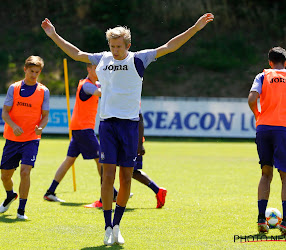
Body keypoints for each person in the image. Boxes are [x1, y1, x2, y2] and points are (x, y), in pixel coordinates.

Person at [41, 13, 214, 245]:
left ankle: (118, 226)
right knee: (107, 176)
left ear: (128, 45)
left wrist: (195, 27)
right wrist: (54, 35)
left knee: (126, 178)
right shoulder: (102, 59)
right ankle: (107, 226)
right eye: (112, 46)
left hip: (130, 126)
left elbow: (169, 46)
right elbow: (77, 53)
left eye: (119, 46)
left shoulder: (138, 59)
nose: (115, 50)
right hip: (108, 126)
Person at [42, 64, 115, 203]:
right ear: (89, 69)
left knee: (69, 161)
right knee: (101, 160)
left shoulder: (94, 83)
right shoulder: (87, 85)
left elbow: (102, 86)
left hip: (79, 128)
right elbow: (101, 92)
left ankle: (50, 191)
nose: (99, 72)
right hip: (83, 129)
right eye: (96, 68)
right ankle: (109, 194)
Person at [248, 46, 286, 236]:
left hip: (264, 128)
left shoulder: (263, 76)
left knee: (265, 174)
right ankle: (285, 223)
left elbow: (252, 98)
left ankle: (261, 219)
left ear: (270, 62)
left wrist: (257, 115)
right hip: (284, 129)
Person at [0, 56, 49, 220]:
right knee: (5, 176)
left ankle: (21, 210)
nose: (34, 75)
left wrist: (41, 128)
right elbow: (5, 113)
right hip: (12, 139)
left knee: (25, 171)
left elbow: (45, 116)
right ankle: (10, 195)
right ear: (25, 69)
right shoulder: (13, 88)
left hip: (31, 139)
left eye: (37, 72)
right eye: (31, 71)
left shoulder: (44, 91)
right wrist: (14, 126)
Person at [85, 112, 167, 209]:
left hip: (131, 140)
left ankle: (104, 200)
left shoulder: (131, 99)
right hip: (125, 137)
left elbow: (139, 117)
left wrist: (139, 143)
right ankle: (157, 190)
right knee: (116, 169)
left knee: (127, 171)